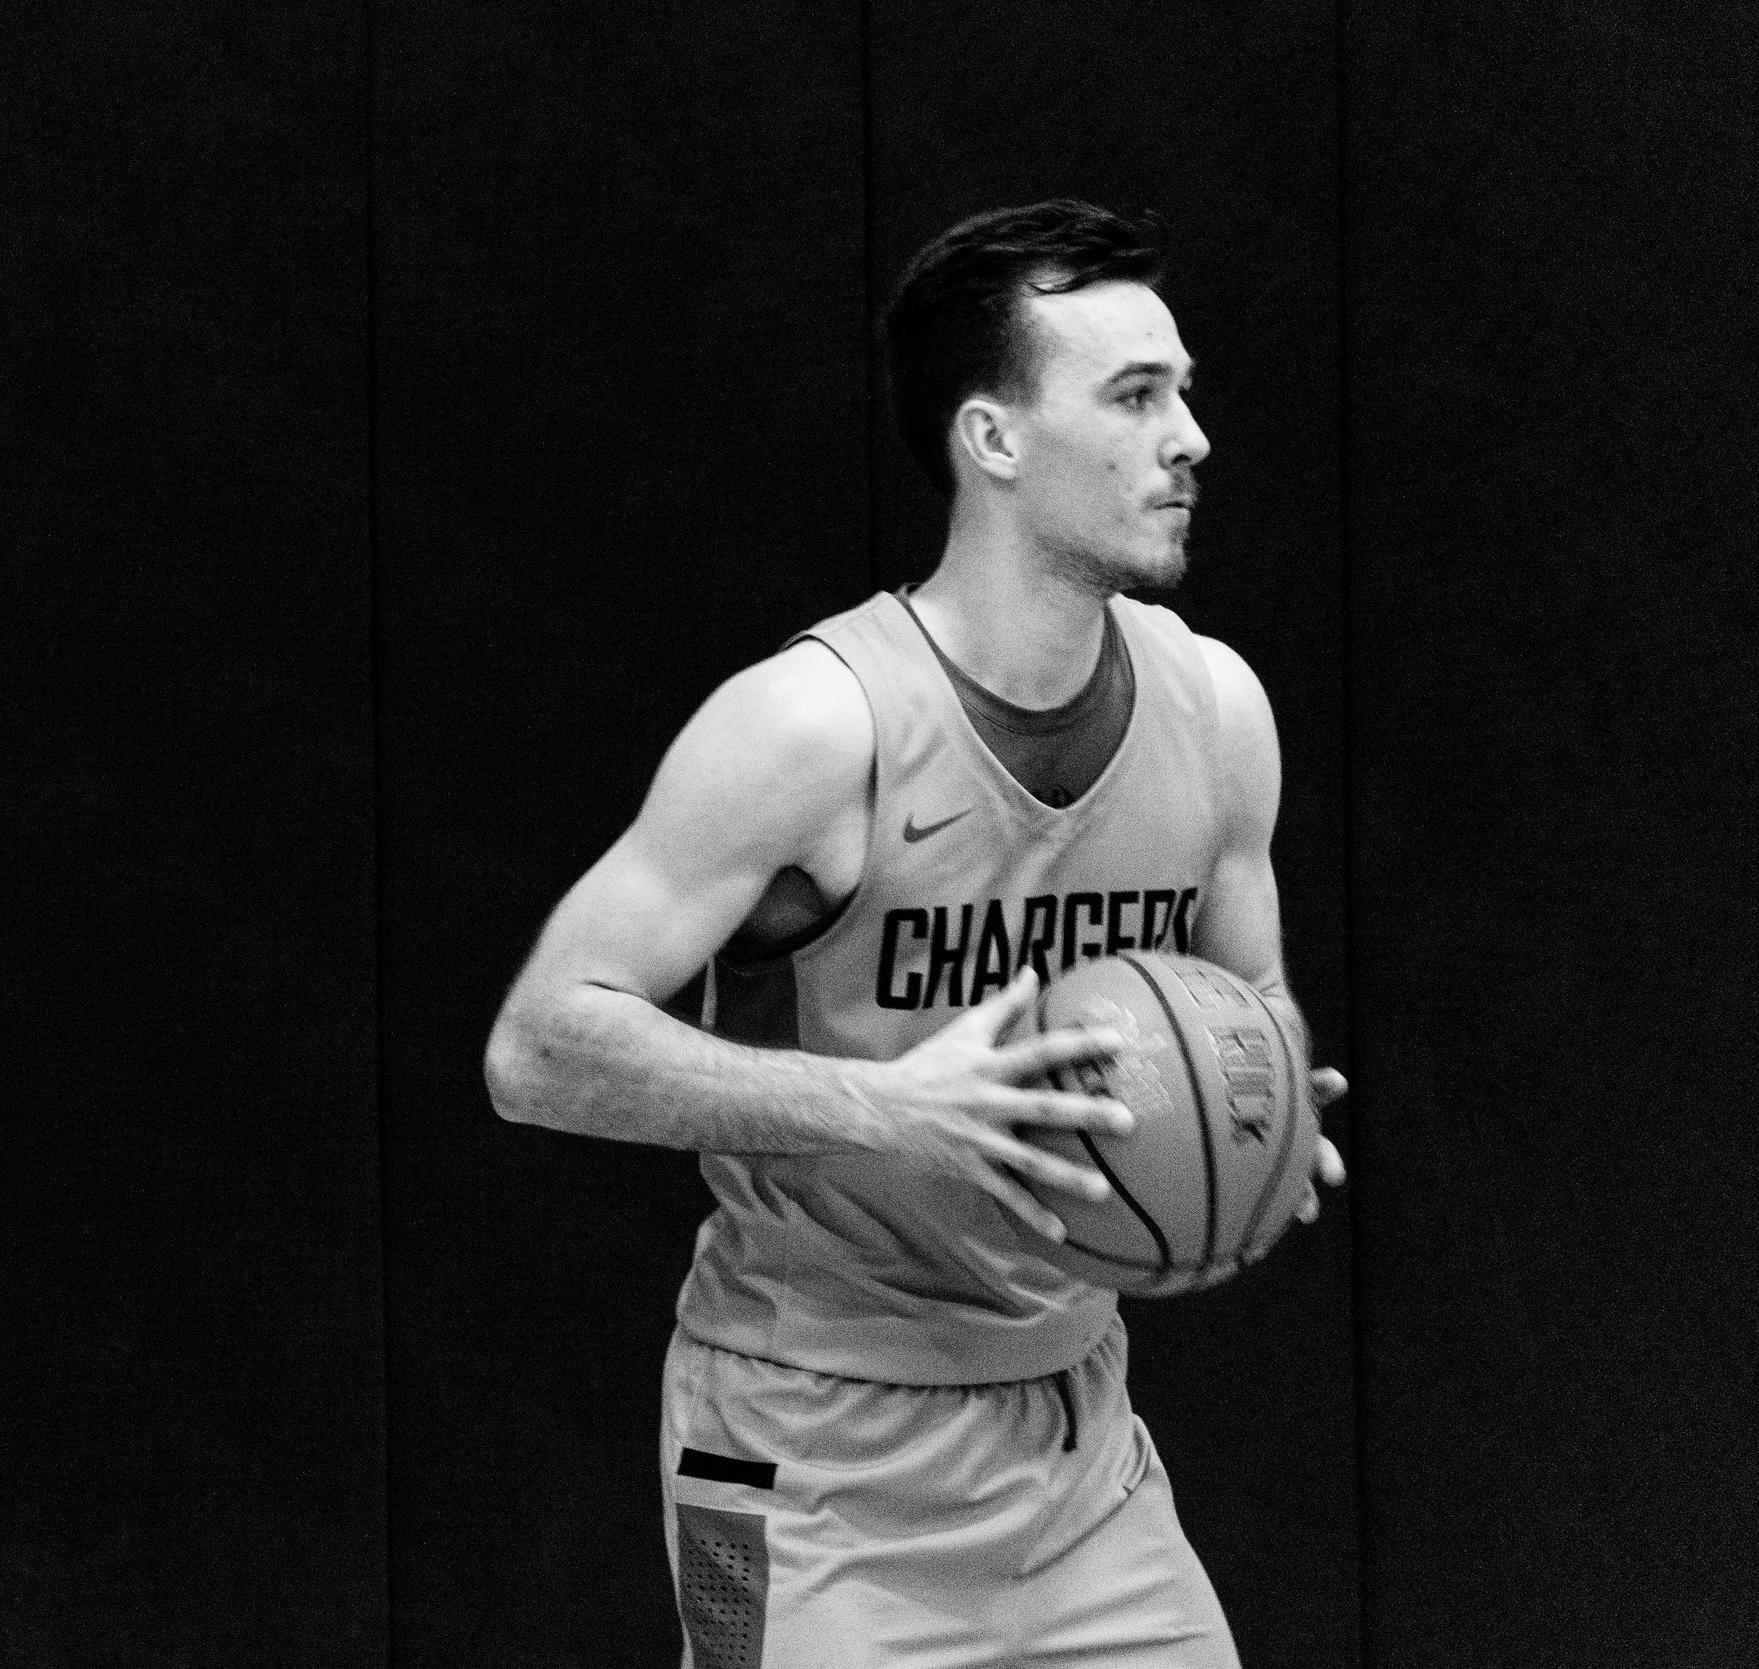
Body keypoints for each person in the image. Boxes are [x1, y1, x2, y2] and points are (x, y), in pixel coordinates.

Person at [482, 199, 1347, 1667]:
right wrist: (893, 1105)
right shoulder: (815, 727)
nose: (1192, 437)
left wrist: (1261, 1127)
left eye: (1185, 391)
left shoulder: (1218, 711)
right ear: (992, 438)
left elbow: (1246, 1009)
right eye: (1137, 397)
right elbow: (540, 1048)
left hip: (1075, 1439)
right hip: (800, 1438)